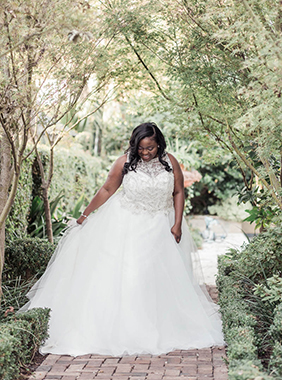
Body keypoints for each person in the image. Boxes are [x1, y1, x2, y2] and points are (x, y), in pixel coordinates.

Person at [21, 122, 225, 357]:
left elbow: (178, 191)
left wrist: (177, 223)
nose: (146, 153)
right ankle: (130, 330)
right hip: (128, 225)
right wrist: (84, 215)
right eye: (141, 148)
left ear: (159, 143)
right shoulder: (125, 161)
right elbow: (107, 189)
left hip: (161, 226)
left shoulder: (170, 161)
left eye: (150, 148)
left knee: (157, 278)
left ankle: (159, 324)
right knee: (132, 275)